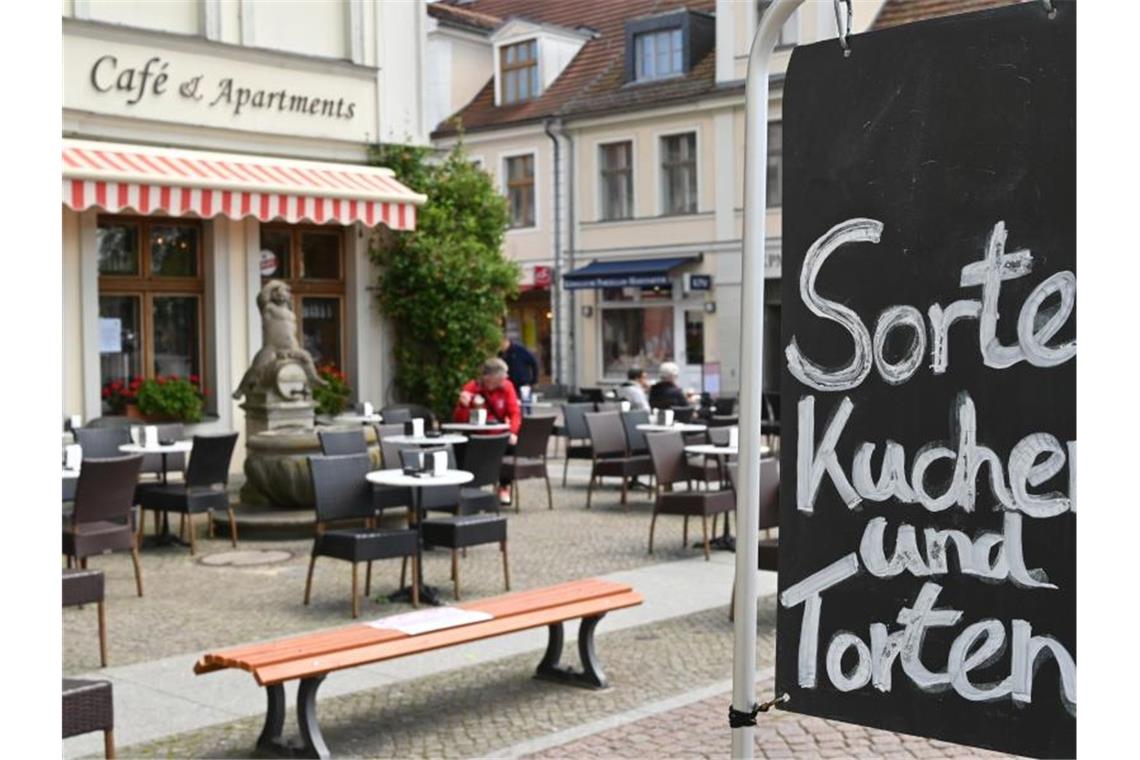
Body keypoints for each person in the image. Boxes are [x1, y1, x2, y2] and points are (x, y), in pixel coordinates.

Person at [453, 358, 522, 503]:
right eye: (502, 377)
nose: (505, 380)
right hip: (477, 435)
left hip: (498, 435)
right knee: (460, 448)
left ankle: (504, 486)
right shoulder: (472, 388)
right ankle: (468, 488)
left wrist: (513, 432)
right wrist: (463, 405)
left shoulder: (507, 387)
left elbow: (514, 413)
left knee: (511, 447)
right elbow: (459, 420)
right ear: (488, 377)